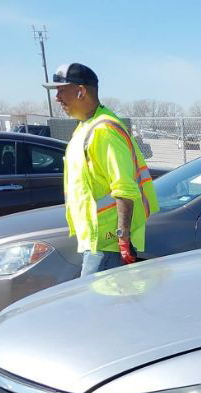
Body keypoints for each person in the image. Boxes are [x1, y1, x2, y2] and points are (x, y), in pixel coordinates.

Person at [43, 63, 158, 277]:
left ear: (81, 91)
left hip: (108, 242)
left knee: (98, 305)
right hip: (96, 240)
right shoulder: (86, 126)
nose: (57, 98)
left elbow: (124, 188)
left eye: (61, 90)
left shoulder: (104, 131)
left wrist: (122, 239)